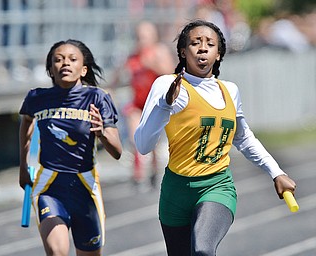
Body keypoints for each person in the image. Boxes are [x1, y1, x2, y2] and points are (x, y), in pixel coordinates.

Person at [134, 20, 297, 256]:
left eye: (210, 44)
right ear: (182, 51)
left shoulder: (230, 90)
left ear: (218, 54)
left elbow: (243, 138)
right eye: (195, 43)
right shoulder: (167, 85)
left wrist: (276, 172)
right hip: (175, 191)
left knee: (202, 249)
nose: (202, 48)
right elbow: (142, 145)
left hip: (216, 186)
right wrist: (164, 106)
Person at [19, 39, 122, 256]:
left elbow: (117, 152)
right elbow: (27, 121)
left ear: (83, 69)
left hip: (85, 188)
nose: (65, 63)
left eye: (72, 59)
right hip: (49, 187)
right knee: (57, 252)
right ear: (50, 70)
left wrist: (101, 132)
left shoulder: (97, 98)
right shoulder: (37, 98)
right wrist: (23, 165)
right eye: (58, 59)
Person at [110, 20, 174, 188]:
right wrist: (110, 88)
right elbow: (117, 75)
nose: (142, 40)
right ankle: (137, 173)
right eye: (139, 37)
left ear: (153, 36)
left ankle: (153, 168)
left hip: (155, 103)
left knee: (151, 139)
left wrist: (152, 64)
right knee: (135, 135)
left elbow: (171, 74)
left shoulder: (159, 52)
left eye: (145, 36)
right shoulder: (133, 55)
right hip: (137, 103)